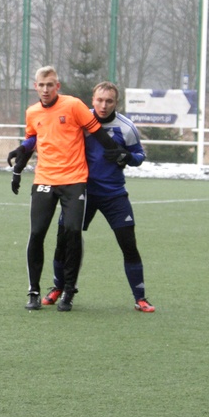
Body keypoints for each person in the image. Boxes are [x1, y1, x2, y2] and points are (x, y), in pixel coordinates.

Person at [8, 65, 121, 311]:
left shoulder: (74, 106)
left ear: (57, 86)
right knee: (37, 233)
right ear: (35, 86)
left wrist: (118, 154)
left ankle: (68, 290)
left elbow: (97, 132)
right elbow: (32, 139)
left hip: (74, 179)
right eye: (41, 85)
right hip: (44, 180)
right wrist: (18, 168)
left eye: (50, 85)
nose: (46, 89)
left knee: (71, 231)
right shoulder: (32, 112)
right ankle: (34, 291)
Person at [41, 81, 155, 313]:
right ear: (92, 100)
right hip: (79, 192)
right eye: (100, 100)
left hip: (114, 195)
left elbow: (139, 155)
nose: (103, 105)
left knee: (128, 244)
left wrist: (125, 156)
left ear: (116, 103)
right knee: (64, 240)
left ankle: (140, 297)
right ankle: (58, 287)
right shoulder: (79, 119)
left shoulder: (126, 127)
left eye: (109, 101)